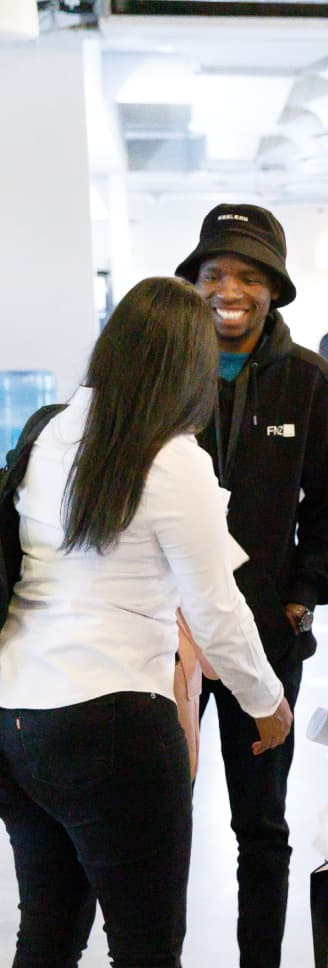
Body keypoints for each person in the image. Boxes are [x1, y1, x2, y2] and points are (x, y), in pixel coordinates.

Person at [0, 277, 291, 967]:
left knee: (48, 926)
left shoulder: (51, 431)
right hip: (113, 722)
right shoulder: (172, 458)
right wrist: (266, 703)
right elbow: (218, 610)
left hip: (17, 712)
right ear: (188, 365)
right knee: (146, 944)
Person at [175, 203, 328, 967]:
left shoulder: (308, 381)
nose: (228, 289)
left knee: (261, 824)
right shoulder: (164, 376)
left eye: (246, 275)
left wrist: (301, 596)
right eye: (214, 274)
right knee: (156, 818)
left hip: (266, 633)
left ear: (273, 288)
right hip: (166, 635)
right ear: (194, 284)